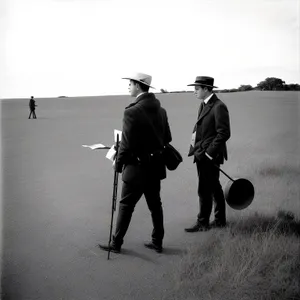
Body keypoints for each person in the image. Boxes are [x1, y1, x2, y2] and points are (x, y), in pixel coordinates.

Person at [99, 72, 172, 253]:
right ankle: (157, 242)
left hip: (137, 169)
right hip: (155, 166)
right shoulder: (161, 111)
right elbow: (167, 138)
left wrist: (118, 164)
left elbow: (127, 145)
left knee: (126, 205)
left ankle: (116, 244)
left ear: (139, 86)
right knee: (155, 205)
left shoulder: (131, 111)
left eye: (130, 84)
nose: (128, 86)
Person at [185, 76, 231, 232]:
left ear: (206, 89)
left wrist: (209, 154)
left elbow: (224, 133)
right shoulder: (204, 104)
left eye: (197, 89)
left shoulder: (219, 106)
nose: (194, 92)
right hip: (201, 153)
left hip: (210, 156)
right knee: (214, 187)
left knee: (205, 189)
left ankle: (203, 223)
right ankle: (219, 221)